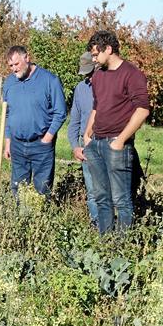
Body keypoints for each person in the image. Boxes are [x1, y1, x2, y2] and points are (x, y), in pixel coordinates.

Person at [81, 30, 150, 232]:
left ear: (109, 49)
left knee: (121, 200)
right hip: (96, 144)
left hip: (117, 145)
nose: (94, 59)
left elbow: (142, 110)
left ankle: (122, 245)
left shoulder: (132, 74)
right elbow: (97, 107)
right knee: (102, 198)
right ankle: (106, 241)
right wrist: (87, 135)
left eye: (96, 54)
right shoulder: (98, 76)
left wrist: (120, 140)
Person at [1, 45, 67, 196]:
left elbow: (60, 112)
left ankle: (39, 217)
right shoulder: (9, 83)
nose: (14, 69)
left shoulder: (50, 80)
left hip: (40, 145)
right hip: (17, 145)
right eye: (10, 66)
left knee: (42, 190)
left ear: (27, 58)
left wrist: (47, 138)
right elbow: (7, 114)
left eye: (16, 64)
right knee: (18, 189)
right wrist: (8, 141)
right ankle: (20, 217)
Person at [67, 51, 98, 224]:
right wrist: (75, 146)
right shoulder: (81, 88)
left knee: (110, 192)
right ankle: (96, 225)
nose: (89, 77)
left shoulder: (110, 85)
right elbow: (74, 121)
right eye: (86, 74)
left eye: (91, 73)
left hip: (106, 143)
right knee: (92, 191)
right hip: (85, 145)